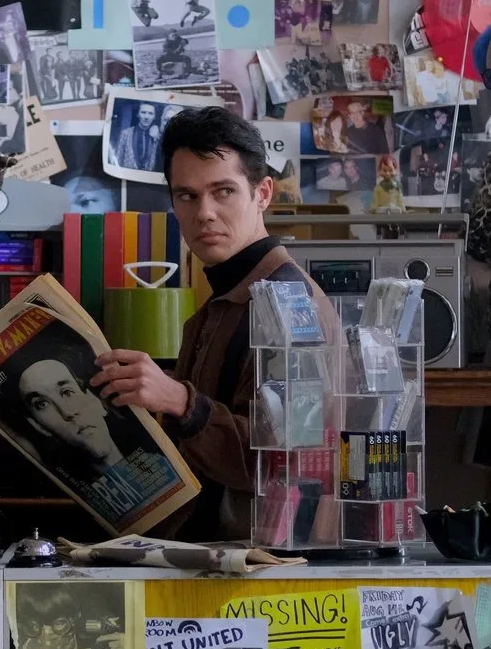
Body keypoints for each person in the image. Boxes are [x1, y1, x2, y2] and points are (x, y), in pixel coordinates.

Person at [90, 106, 331, 541]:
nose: (205, 213)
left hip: (262, 562)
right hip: (209, 549)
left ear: (262, 193)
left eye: (224, 192)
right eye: (187, 196)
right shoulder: (223, 302)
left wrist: (182, 401)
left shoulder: (288, 302)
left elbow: (286, 464)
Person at [112, 102, 160, 172]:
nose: (146, 117)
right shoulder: (126, 134)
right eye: (143, 112)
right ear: (138, 114)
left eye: (150, 113)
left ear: (154, 116)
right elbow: (118, 159)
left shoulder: (157, 136)